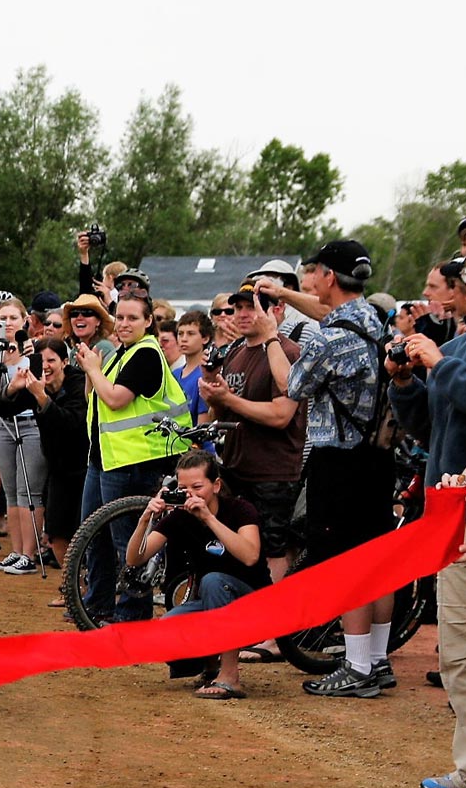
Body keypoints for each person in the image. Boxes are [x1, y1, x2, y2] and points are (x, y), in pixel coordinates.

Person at [260, 240, 395, 697]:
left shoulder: (324, 340)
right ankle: (377, 660)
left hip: (337, 463)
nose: (309, 281)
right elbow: (330, 313)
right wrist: (282, 297)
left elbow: (289, 385)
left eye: (313, 273)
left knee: (344, 564)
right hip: (376, 458)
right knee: (377, 563)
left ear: (329, 278)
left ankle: (355, 668)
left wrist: (269, 337)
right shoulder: (372, 321)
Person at [385, 258, 466, 788]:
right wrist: (406, 383)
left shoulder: (452, 355)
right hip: (451, 518)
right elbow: (431, 425)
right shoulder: (458, 349)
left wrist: (439, 364)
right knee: (457, 651)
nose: (452, 292)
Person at [76, 292, 194, 621]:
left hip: (135, 460)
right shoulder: (121, 355)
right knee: (93, 535)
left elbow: (114, 399)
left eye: (132, 318)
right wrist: (91, 370)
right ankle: (97, 603)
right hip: (105, 458)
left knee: (125, 541)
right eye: (121, 318)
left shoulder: (145, 354)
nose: (124, 324)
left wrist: (93, 369)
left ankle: (132, 614)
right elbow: (94, 395)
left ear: (147, 322)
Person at [125, 450, 269, 699]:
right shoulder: (180, 516)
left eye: (197, 486)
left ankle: (230, 676)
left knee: (213, 581)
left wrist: (209, 519)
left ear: (216, 485)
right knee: (168, 626)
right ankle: (210, 666)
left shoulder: (240, 509)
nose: (190, 494)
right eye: (183, 487)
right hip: (213, 601)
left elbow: (250, 555)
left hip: (255, 603)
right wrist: (145, 518)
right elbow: (135, 557)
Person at [201, 283, 304, 593]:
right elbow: (223, 413)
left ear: (275, 311)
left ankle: (274, 633)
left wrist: (229, 401)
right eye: (238, 307)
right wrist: (215, 398)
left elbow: (281, 414)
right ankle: (243, 620)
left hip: (273, 471)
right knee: (238, 546)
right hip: (235, 467)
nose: (243, 314)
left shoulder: (286, 351)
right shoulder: (234, 352)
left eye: (252, 307)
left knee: (274, 550)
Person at [0, 295, 44, 573]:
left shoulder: (36, 352)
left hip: (31, 425)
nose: (7, 323)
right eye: (2, 318)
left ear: (25, 321)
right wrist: (3, 362)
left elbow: (39, 388)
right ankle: (16, 551)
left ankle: (30, 554)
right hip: (4, 426)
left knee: (29, 490)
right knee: (11, 492)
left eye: (13, 318)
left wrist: (23, 355)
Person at [26, 335, 88, 598]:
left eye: (52, 360)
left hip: (85, 467)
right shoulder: (36, 385)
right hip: (58, 468)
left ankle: (86, 591)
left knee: (84, 532)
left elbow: (72, 422)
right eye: (41, 361)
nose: (46, 366)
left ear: (65, 361)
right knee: (55, 533)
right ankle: (73, 589)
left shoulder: (78, 384)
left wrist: (42, 399)